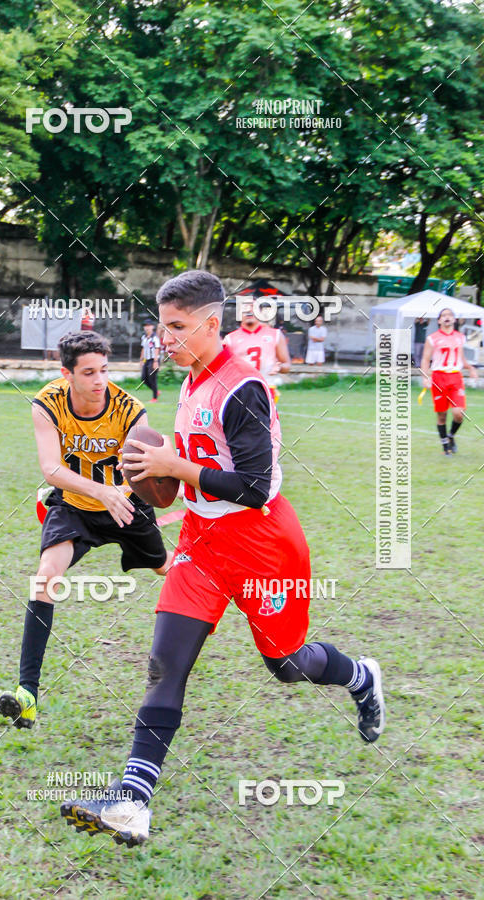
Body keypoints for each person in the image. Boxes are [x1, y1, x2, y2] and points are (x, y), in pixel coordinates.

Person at [60, 271, 385, 846]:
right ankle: (133, 802)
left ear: (213, 323)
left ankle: (360, 675)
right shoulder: (192, 379)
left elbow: (256, 487)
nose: (166, 338)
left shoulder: (243, 387)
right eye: (163, 326)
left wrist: (175, 468)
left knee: (286, 665)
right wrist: (153, 469)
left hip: (263, 543)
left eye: (177, 327)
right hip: (203, 543)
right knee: (165, 663)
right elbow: (190, 467)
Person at [0, 331, 173, 729]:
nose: (100, 381)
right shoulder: (48, 403)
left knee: (168, 568)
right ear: (67, 374)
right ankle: (27, 694)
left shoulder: (130, 409)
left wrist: (128, 490)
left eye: (105, 370)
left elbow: (143, 466)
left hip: (127, 505)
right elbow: (51, 469)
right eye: (89, 372)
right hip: (75, 506)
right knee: (45, 579)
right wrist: (100, 492)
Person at [420, 307, 478, 455]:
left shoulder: (460, 337)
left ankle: (451, 436)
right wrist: (425, 377)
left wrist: (470, 368)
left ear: (454, 319)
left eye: (450, 315)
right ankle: (445, 446)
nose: (447, 317)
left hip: (455, 377)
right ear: (439, 320)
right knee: (442, 415)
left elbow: (461, 358)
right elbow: (426, 359)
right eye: (444, 315)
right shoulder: (432, 338)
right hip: (439, 377)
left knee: (459, 413)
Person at [223, 303, 290, 400]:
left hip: (266, 387)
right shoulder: (230, 339)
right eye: (245, 310)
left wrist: (279, 367)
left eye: (253, 308)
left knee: (265, 415)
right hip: (240, 389)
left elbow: (287, 365)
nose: (249, 312)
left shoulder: (275, 334)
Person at [140, 320, 161, 402]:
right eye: (145, 326)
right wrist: (141, 359)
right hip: (147, 360)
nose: (147, 327)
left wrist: (155, 362)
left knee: (152, 378)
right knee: (143, 379)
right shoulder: (144, 337)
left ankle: (154, 398)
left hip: (154, 359)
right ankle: (156, 391)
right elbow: (143, 348)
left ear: (152, 327)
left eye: (149, 325)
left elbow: (157, 349)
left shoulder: (154, 338)